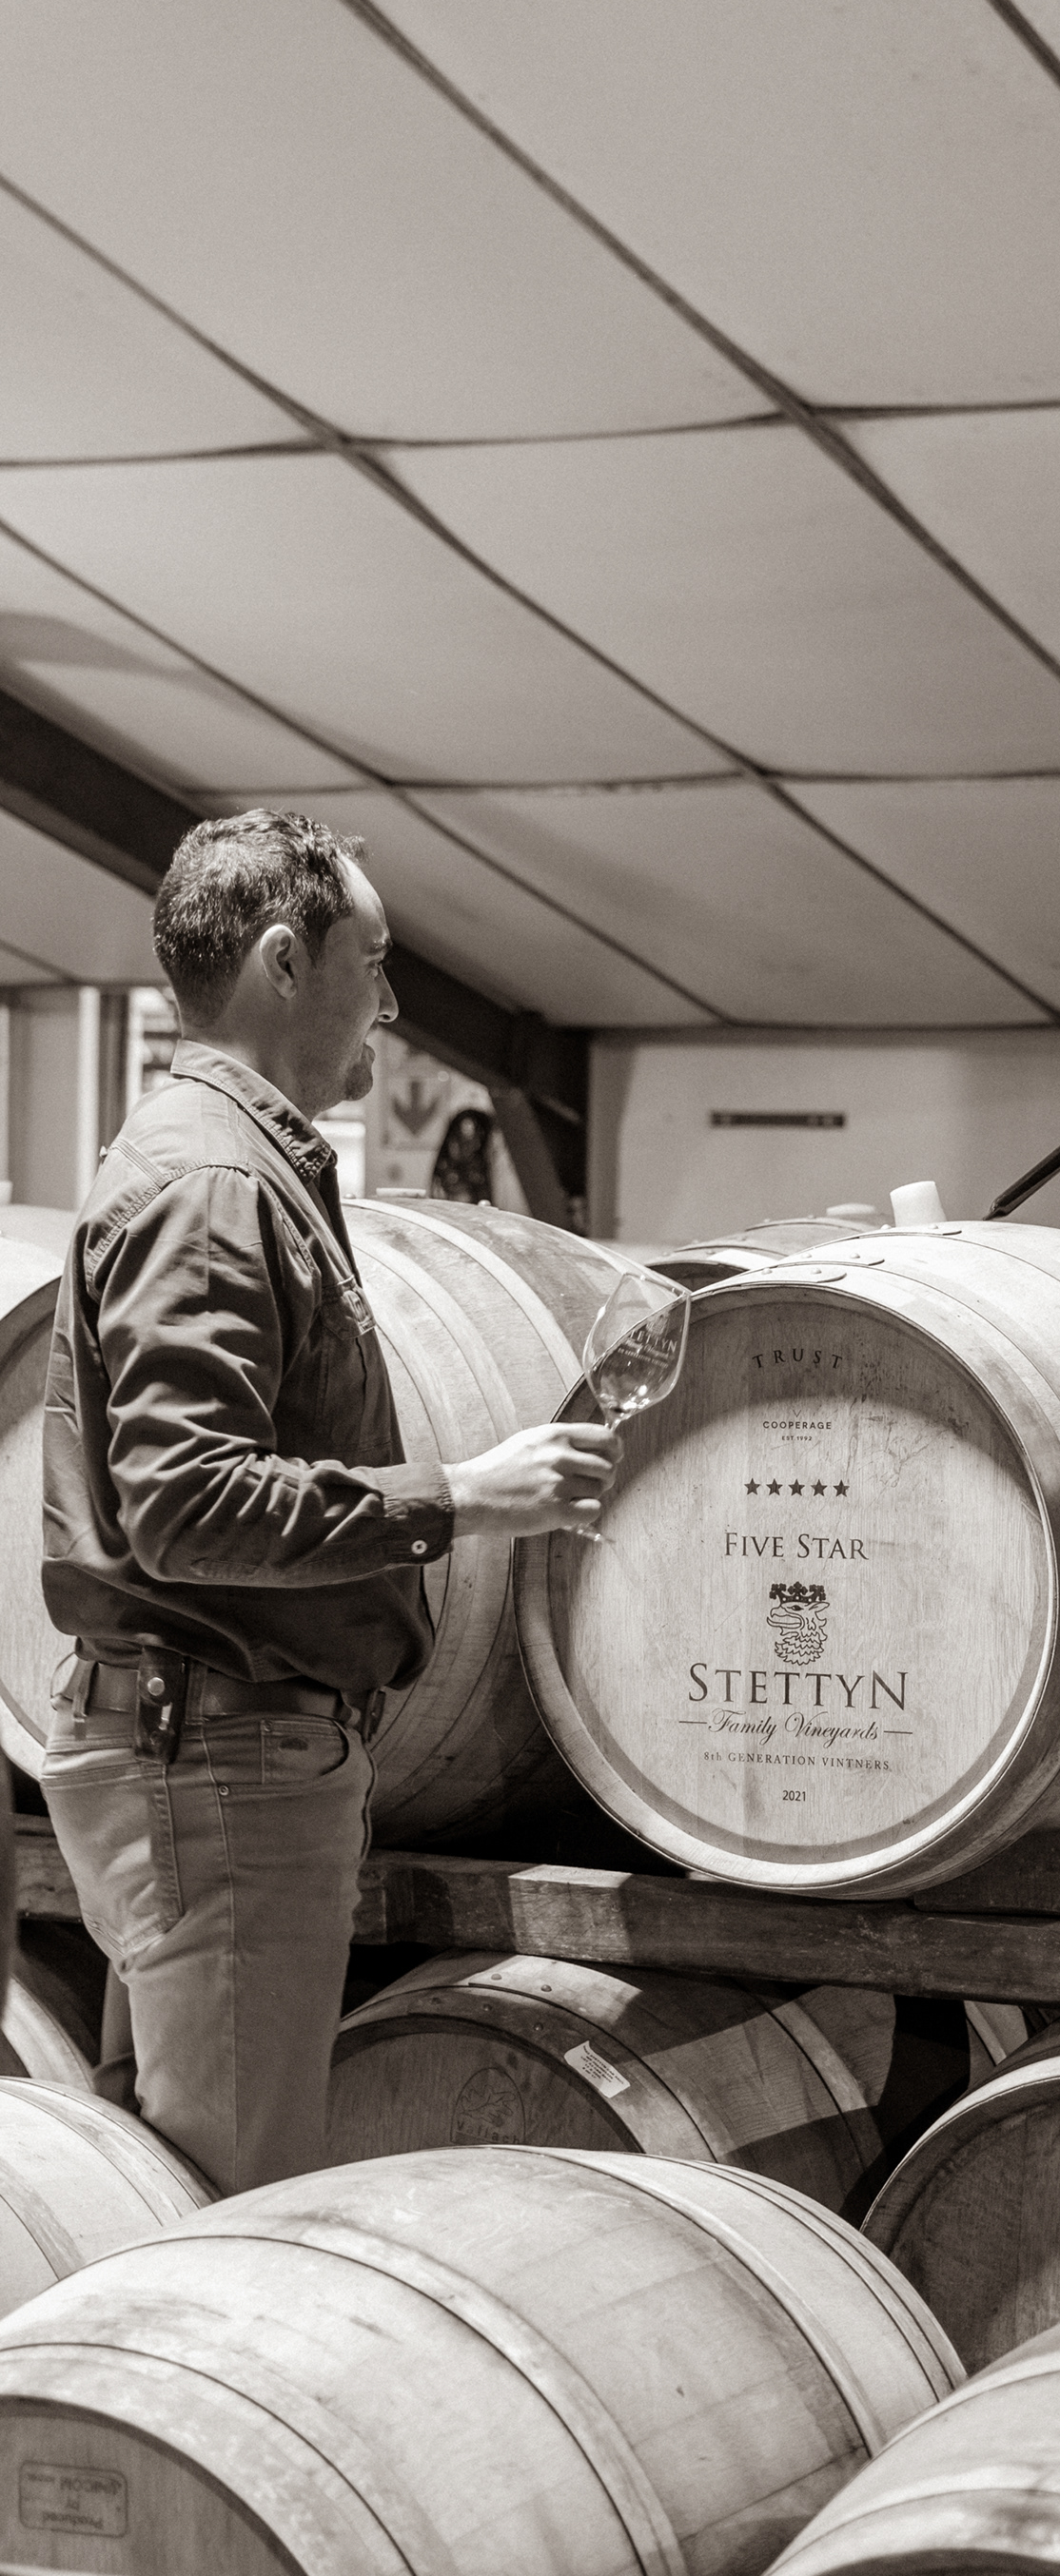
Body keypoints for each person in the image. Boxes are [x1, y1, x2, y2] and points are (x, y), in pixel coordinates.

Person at [41, 811, 622, 2195]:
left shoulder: (228, 1164)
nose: (396, 1000)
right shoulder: (216, 1187)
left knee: (173, 2180)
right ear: (286, 961)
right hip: (223, 1760)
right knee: (234, 2204)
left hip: (208, 1749)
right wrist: (461, 1497)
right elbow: (187, 1503)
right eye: (377, 959)